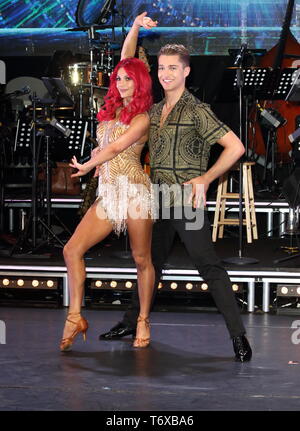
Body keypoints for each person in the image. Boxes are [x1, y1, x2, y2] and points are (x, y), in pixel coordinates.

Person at [99, 12, 252, 362]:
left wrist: (205, 178)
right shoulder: (152, 109)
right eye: (161, 68)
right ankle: (129, 321)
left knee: (207, 264)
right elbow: (126, 64)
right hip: (155, 197)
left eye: (172, 68)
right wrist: (135, 28)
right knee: (149, 261)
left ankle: (238, 336)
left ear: (186, 71)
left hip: (184, 199)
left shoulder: (197, 110)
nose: (165, 73)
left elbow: (237, 147)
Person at [60, 57, 155, 352]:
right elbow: (106, 146)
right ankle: (74, 317)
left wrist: (89, 165)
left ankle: (143, 319)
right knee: (71, 250)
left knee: (141, 260)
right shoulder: (111, 111)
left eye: (128, 79)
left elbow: (117, 148)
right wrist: (97, 157)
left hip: (135, 193)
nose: (122, 83)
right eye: (118, 79)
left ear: (140, 82)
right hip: (109, 192)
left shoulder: (142, 118)